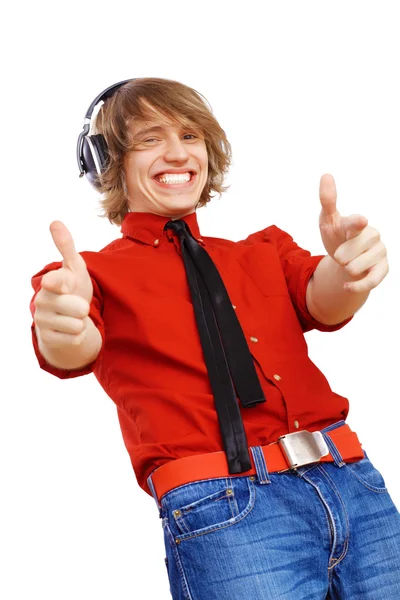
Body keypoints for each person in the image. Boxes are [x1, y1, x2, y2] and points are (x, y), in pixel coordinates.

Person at [30, 78, 400, 599]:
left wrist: (349, 270)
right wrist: (62, 324)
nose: (178, 152)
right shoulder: (85, 277)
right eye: (149, 138)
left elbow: (325, 296)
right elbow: (72, 348)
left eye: (190, 135)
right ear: (107, 162)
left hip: (353, 482)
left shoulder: (263, 250)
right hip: (225, 507)